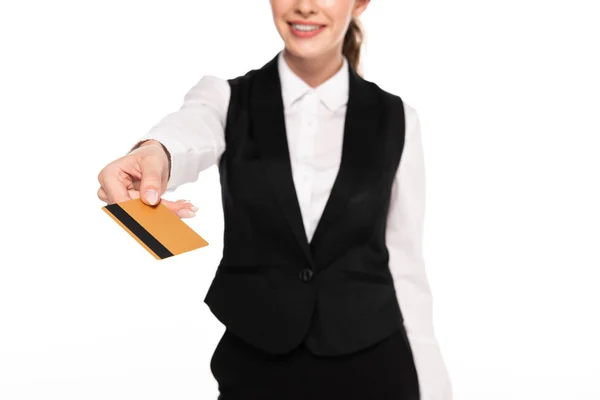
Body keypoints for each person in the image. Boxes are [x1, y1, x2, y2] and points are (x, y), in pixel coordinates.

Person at [97, 0, 452, 399]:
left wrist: (435, 388)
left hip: (377, 369)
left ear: (360, 3)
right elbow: (191, 128)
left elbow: (404, 264)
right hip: (256, 371)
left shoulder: (398, 117)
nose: (304, 6)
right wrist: (155, 154)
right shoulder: (225, 97)